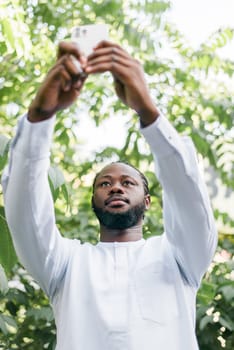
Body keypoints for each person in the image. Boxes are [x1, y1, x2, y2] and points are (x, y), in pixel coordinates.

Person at [2, 40, 217, 350]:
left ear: (147, 201)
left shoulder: (180, 258)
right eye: (104, 183)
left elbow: (190, 201)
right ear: (93, 201)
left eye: (127, 182)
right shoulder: (66, 264)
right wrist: (39, 117)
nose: (115, 186)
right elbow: (25, 214)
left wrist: (149, 112)